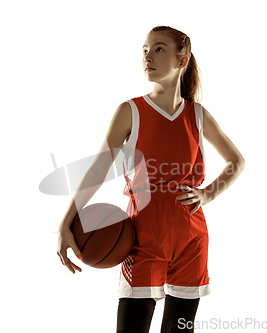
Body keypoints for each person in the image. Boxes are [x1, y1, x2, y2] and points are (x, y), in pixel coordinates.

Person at [57, 25, 245, 333]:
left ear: (181, 61)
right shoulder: (130, 111)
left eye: (158, 49)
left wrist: (208, 194)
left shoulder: (197, 115)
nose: (148, 57)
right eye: (145, 50)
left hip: (191, 237)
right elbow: (98, 169)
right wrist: (67, 221)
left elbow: (236, 161)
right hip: (143, 235)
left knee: (179, 329)